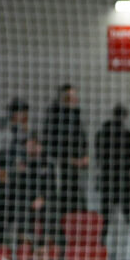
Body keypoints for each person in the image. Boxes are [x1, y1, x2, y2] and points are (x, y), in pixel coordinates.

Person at [96, 105, 130, 253]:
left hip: (107, 181)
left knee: (105, 218)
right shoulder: (127, 136)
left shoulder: (101, 134)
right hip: (123, 181)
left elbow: (99, 160)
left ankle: (99, 248)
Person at [43, 84, 89, 213]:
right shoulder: (54, 116)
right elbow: (50, 144)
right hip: (61, 167)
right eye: (69, 96)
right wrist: (69, 160)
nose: (72, 99)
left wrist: (85, 156)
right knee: (65, 198)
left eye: (74, 96)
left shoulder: (76, 115)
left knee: (79, 197)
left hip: (78, 167)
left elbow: (82, 138)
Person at [10, 136, 57, 244]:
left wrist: (42, 198)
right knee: (20, 206)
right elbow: (16, 187)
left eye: (35, 144)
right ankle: (23, 237)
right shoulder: (20, 164)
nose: (33, 147)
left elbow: (52, 187)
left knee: (51, 207)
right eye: (30, 145)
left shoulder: (48, 164)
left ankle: (47, 238)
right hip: (25, 200)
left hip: (44, 199)